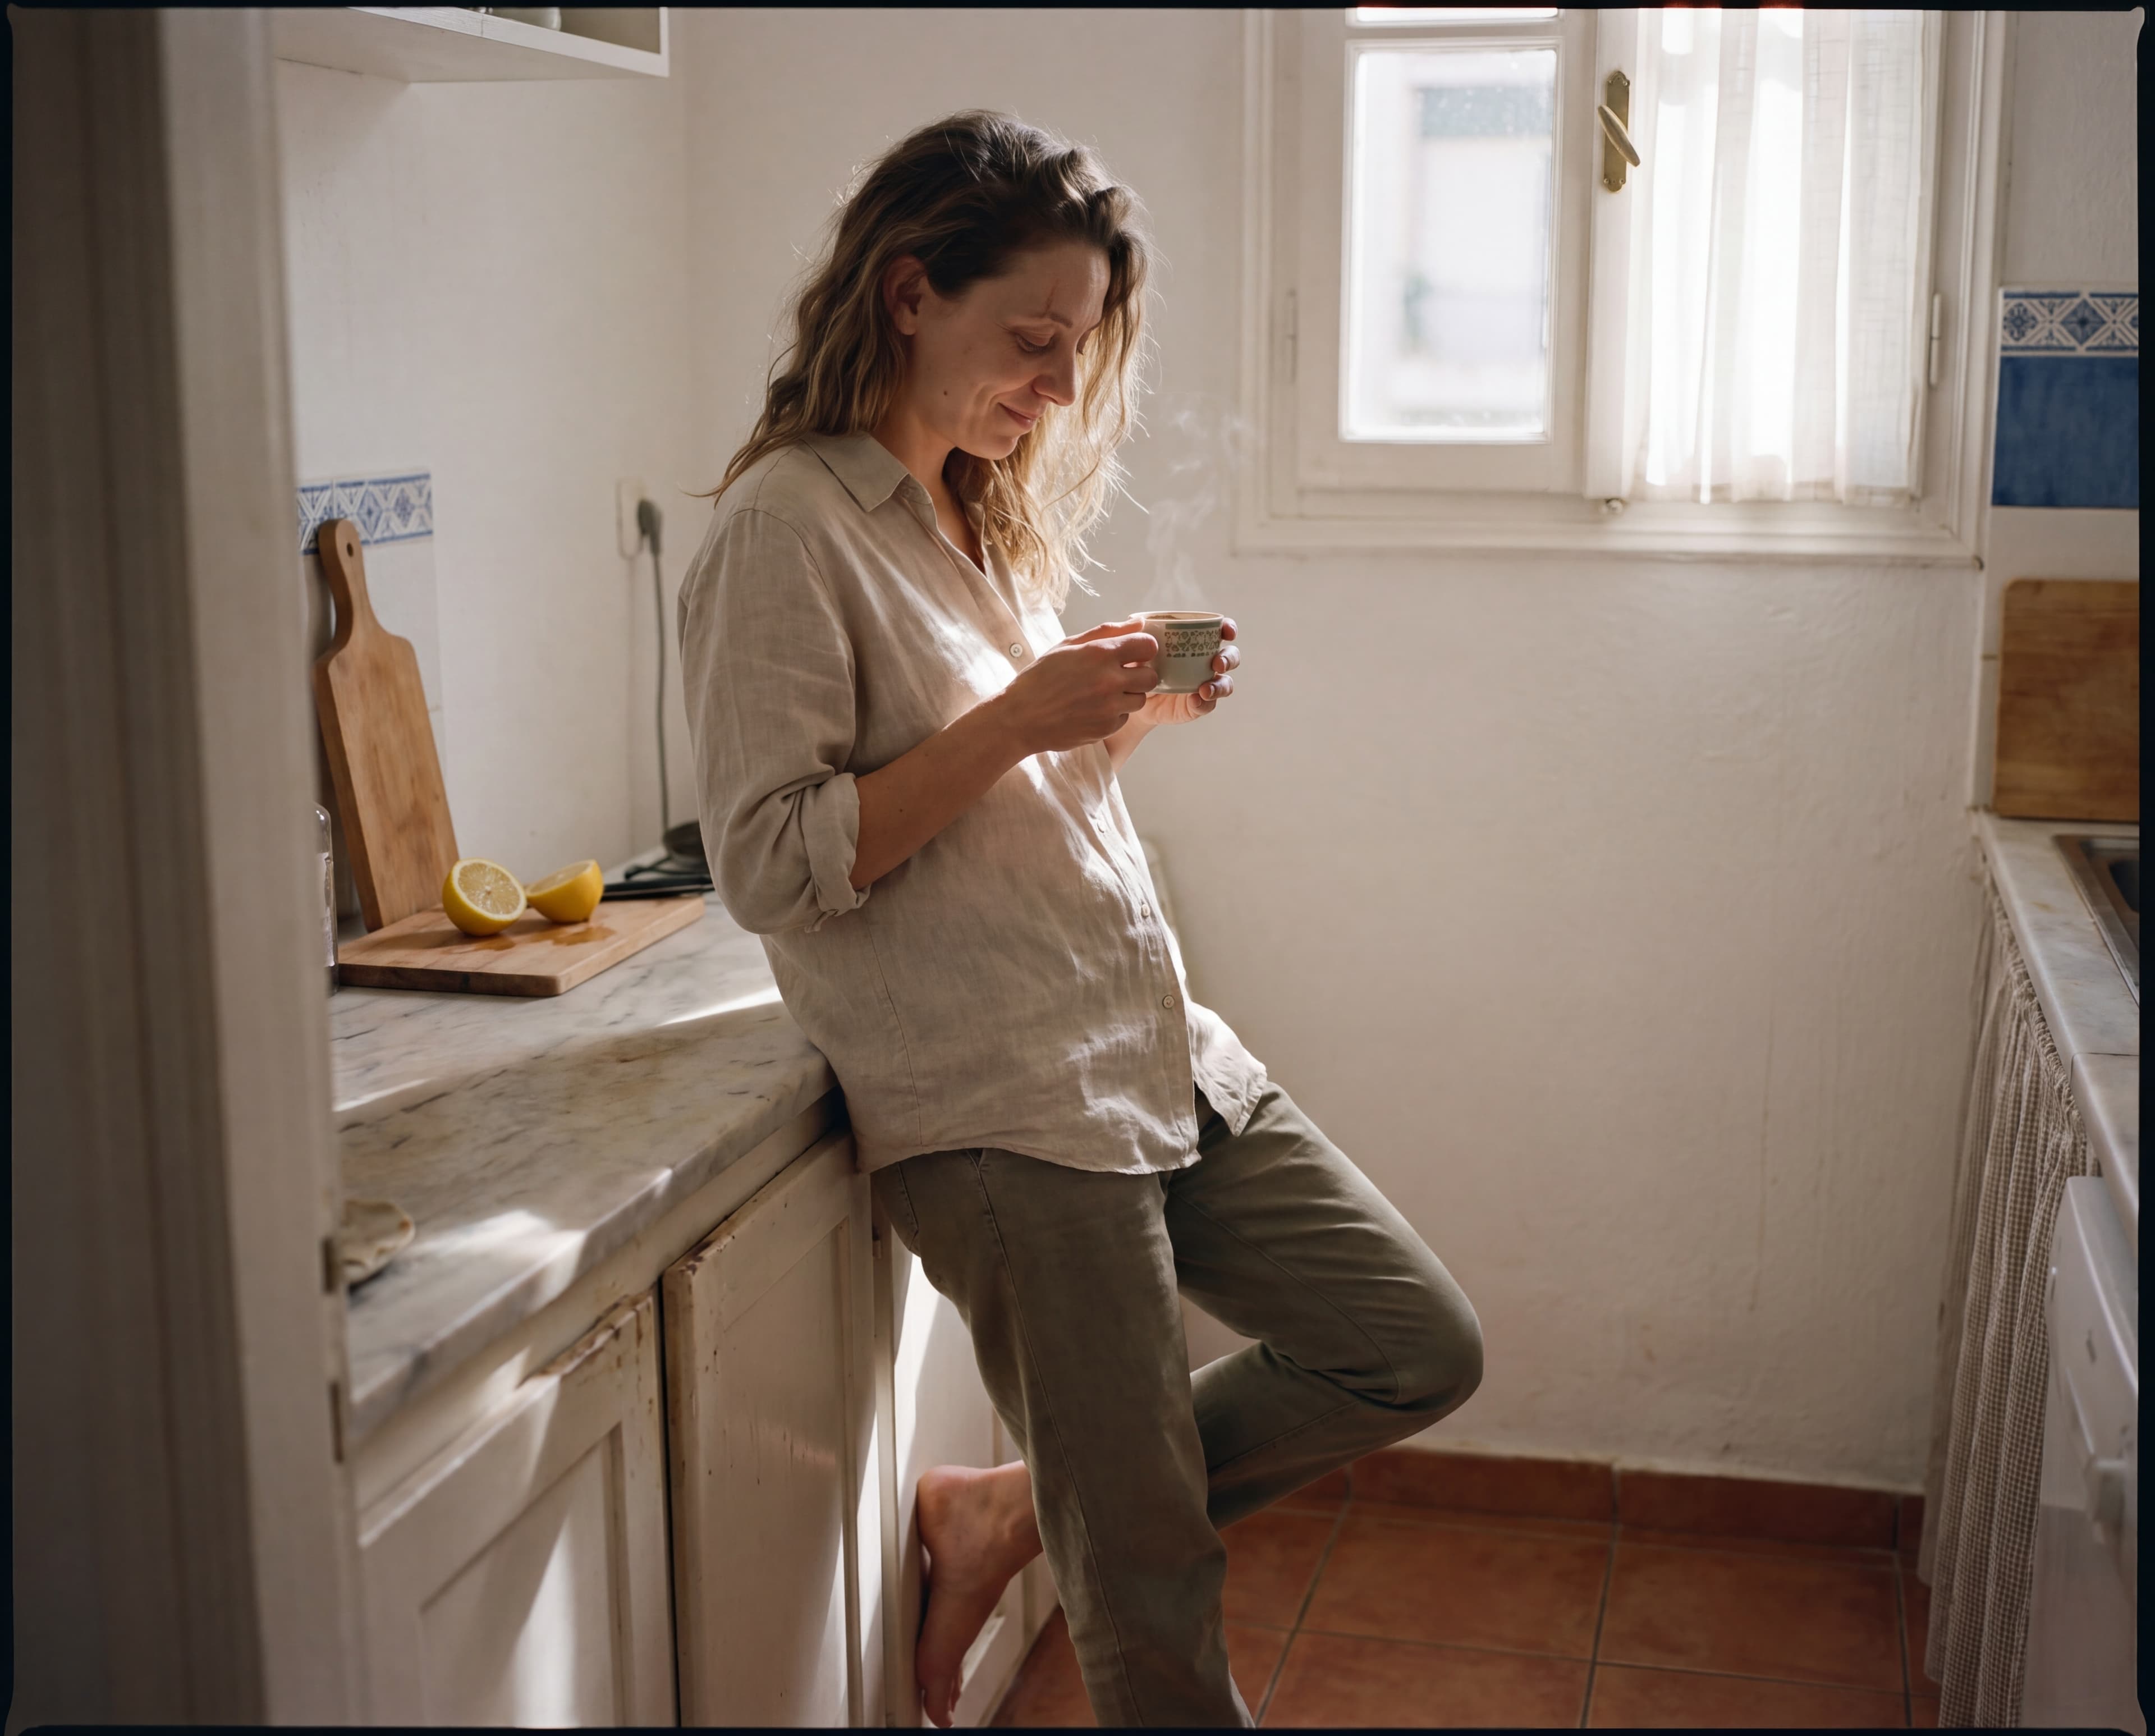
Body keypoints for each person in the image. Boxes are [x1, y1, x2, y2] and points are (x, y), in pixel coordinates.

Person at [678, 109, 1483, 1729]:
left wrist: (1109, 728)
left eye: (1081, 347)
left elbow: (986, 811)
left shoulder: (971, 512)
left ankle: (1004, 1510)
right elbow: (769, 860)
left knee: (1411, 1342)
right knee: (1154, 1600)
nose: (1058, 385)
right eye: (1032, 339)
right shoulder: (786, 530)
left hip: (1149, 1055)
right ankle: (1067, 1518)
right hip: (1009, 1119)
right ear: (909, 296)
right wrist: (1024, 721)